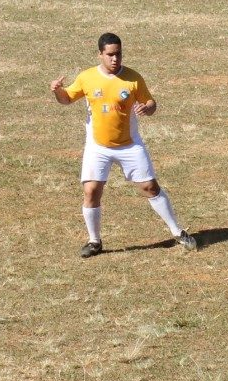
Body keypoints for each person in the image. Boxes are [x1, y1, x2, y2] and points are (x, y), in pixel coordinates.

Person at [50, 33, 197, 258]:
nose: (115, 59)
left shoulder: (133, 78)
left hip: (129, 145)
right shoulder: (87, 77)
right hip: (98, 146)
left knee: (150, 187)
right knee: (91, 191)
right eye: (110, 54)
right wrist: (58, 91)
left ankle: (178, 232)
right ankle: (94, 241)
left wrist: (147, 108)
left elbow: (151, 103)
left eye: (118, 54)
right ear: (100, 54)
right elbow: (66, 99)